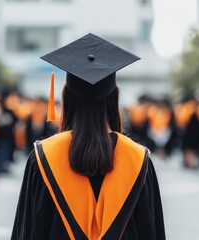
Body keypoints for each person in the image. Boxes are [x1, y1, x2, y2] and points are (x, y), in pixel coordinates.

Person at [11, 33, 165, 240]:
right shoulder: (138, 159)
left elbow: (28, 231)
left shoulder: (43, 157)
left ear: (66, 98)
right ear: (114, 99)